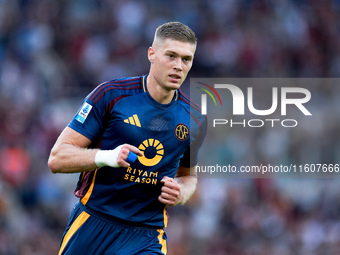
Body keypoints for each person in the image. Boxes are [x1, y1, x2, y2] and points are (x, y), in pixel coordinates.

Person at [48, 21, 206, 255]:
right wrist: (107, 157)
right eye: (171, 56)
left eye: (186, 59)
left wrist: (182, 192)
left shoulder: (195, 119)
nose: (178, 66)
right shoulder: (111, 96)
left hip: (146, 235)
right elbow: (57, 158)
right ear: (151, 54)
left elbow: (187, 175)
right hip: (93, 223)